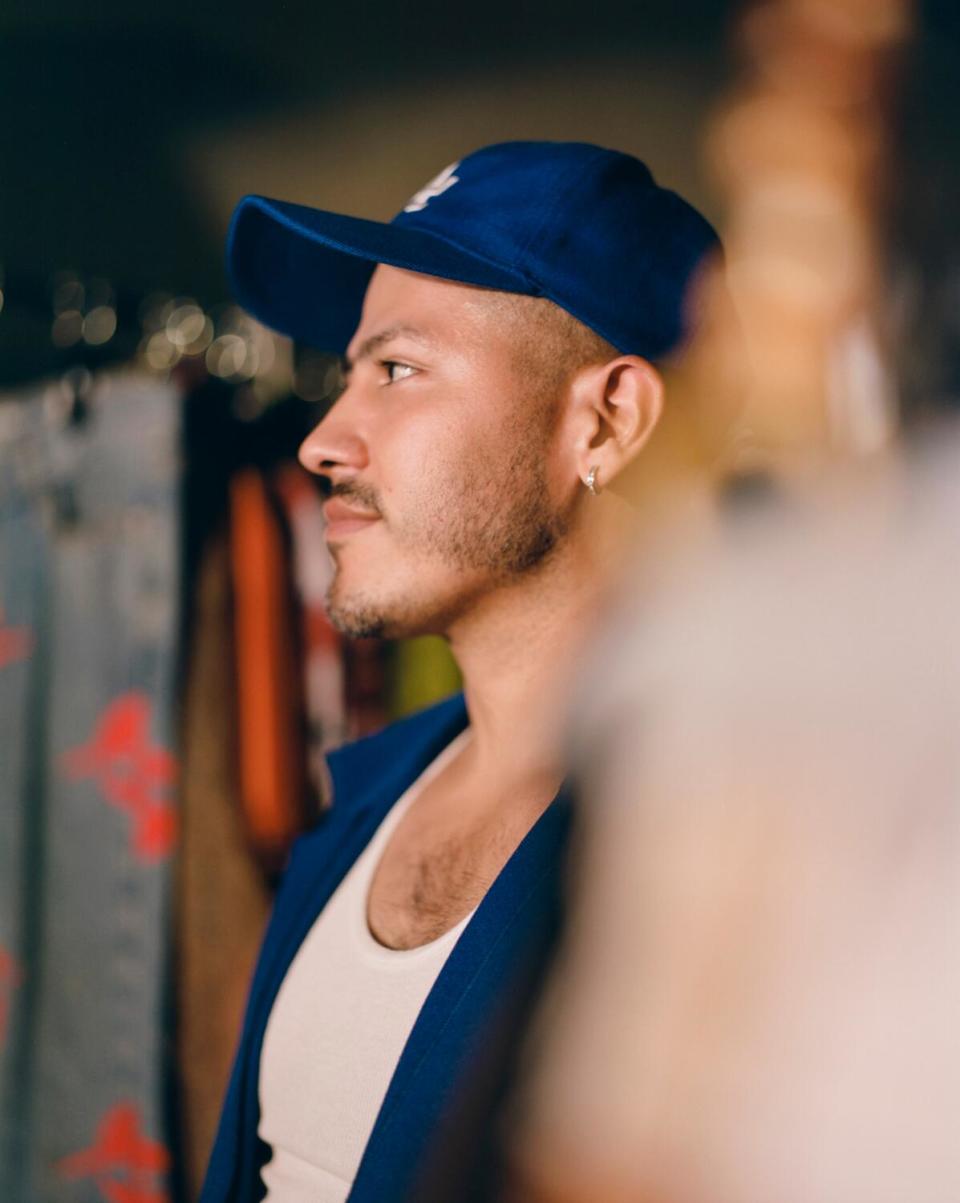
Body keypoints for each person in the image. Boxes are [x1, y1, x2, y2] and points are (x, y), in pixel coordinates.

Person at [199, 140, 720, 1203]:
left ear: (608, 422)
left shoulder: (720, 860)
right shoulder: (355, 808)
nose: (321, 442)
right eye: (347, 375)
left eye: (395, 370)